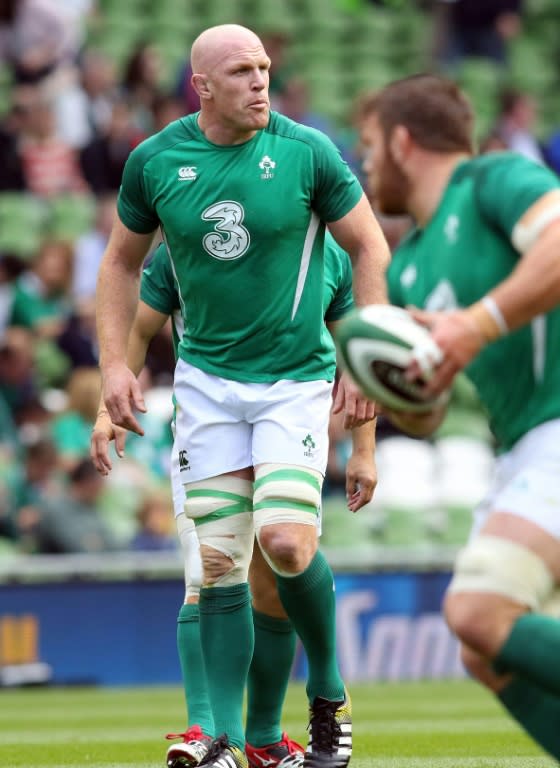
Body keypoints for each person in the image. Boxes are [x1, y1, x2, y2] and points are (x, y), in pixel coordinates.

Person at [95, 23, 389, 768]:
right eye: (240, 71)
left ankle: (327, 687)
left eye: (264, 68)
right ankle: (223, 739)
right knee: (219, 567)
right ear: (202, 85)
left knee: (286, 544)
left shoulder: (307, 151)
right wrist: (111, 373)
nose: (260, 81)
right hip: (206, 390)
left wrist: (365, 363)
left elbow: (370, 249)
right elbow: (120, 265)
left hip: (294, 384)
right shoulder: (156, 161)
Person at [92, 238, 378, 768]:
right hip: (207, 419)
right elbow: (137, 326)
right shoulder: (184, 234)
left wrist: (363, 448)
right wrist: (108, 408)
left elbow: (359, 356)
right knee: (210, 570)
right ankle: (211, 732)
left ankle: (267, 734)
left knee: (278, 566)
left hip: (287, 408)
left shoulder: (325, 249)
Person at [357, 73, 560, 761]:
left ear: (403, 141)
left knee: (477, 611)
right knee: (486, 651)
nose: (364, 163)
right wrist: (398, 385)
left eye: (368, 145)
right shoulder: (409, 267)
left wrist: (474, 325)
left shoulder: (492, 182)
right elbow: (429, 417)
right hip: (523, 445)